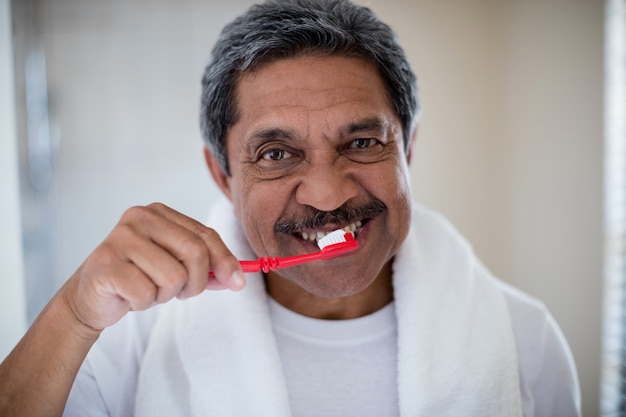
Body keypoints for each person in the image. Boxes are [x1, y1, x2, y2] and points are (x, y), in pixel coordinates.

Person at [0, 0, 581, 416]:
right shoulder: (128, 344)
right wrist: (75, 315)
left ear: (407, 149)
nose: (327, 196)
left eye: (361, 143)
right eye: (276, 153)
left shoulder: (526, 342)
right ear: (221, 175)